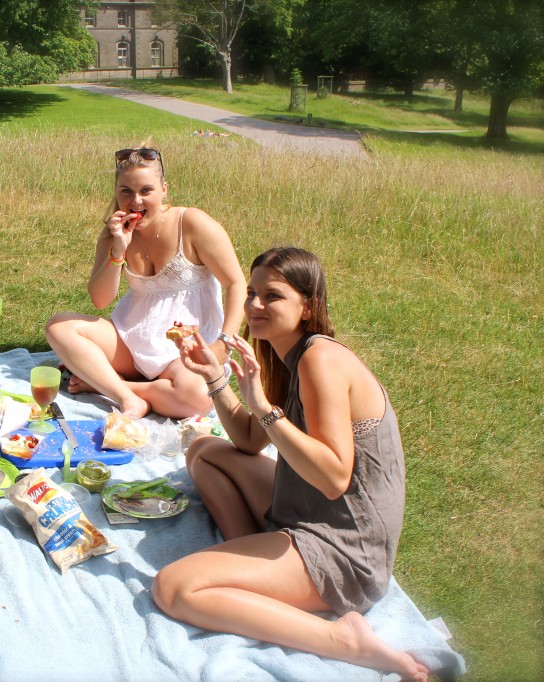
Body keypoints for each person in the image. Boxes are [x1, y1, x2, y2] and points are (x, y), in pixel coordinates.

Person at [152, 247, 428, 681]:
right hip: (302, 512)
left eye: (273, 296)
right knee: (205, 451)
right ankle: (252, 569)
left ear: (309, 305)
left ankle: (345, 640)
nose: (256, 305)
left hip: (344, 550)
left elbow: (335, 478)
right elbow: (245, 440)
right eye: (253, 293)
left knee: (172, 587)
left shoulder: (322, 360)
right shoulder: (285, 357)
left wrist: (262, 405)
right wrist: (214, 378)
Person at [45, 146, 246, 419]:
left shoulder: (192, 223)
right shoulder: (113, 233)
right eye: (125, 191)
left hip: (182, 349)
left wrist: (224, 342)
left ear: (164, 189)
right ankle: (128, 398)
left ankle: (113, 385)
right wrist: (118, 249)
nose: (135, 200)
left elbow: (236, 284)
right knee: (59, 326)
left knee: (198, 398)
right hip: (131, 342)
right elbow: (100, 299)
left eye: (146, 191)